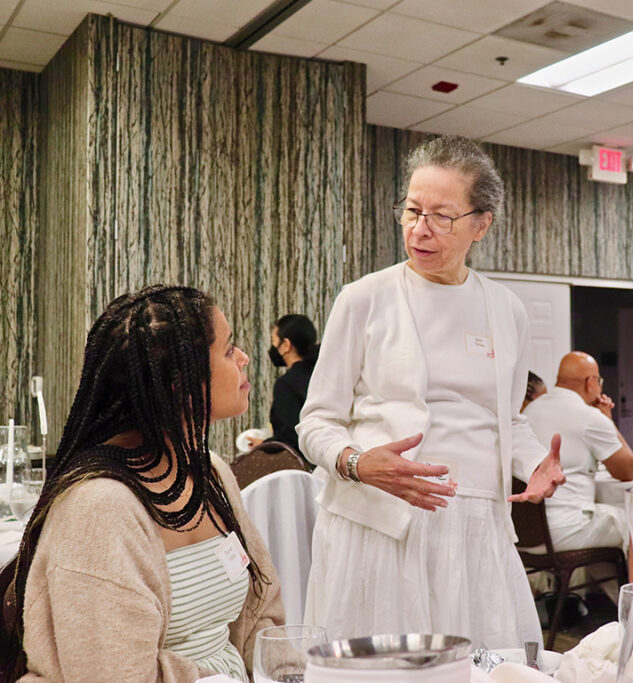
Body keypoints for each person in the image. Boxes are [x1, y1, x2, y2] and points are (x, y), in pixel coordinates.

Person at [297, 135, 564, 648]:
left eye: (441, 216)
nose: (420, 229)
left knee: (480, 663)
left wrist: (535, 462)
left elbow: (508, 419)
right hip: (378, 520)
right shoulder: (364, 298)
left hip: (473, 525)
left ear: (480, 224)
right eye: (412, 210)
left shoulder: (506, 309)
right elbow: (316, 422)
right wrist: (356, 461)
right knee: (377, 666)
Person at [3, 285, 284, 681]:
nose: (244, 358)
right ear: (179, 382)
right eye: (227, 349)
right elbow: (111, 673)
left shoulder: (210, 472)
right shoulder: (99, 508)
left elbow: (261, 611)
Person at [523, 352, 633, 555]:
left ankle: (600, 588)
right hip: (566, 528)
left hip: (526, 532)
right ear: (590, 382)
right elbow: (628, 470)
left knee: (609, 518)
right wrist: (606, 419)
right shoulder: (590, 418)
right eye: (599, 381)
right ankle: (630, 587)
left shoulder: (530, 409)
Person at [267, 313, 319, 460]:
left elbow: (291, 435)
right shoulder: (323, 374)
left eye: (274, 341)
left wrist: (265, 445)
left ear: (286, 345)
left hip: (305, 465)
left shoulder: (286, 384)